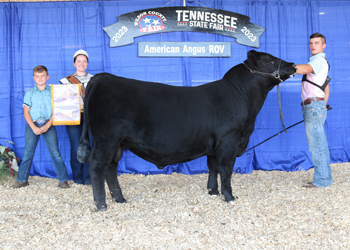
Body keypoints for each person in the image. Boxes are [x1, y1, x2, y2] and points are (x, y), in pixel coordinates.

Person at [12, 66, 70, 189]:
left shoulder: (53, 92)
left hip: (49, 123)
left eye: (42, 75)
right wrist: (33, 127)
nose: (40, 78)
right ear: (34, 78)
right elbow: (26, 112)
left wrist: (48, 125)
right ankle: (22, 179)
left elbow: (57, 110)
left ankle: (63, 180)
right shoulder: (30, 93)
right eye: (37, 76)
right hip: (33, 124)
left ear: (47, 77)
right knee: (28, 152)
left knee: (55, 152)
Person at [295, 33, 332, 188]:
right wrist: (321, 105)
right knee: (318, 143)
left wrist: (283, 67)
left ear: (323, 45)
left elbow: (305, 69)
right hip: (315, 106)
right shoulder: (319, 62)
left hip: (314, 107)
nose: (312, 45)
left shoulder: (317, 60)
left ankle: (322, 181)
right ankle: (324, 177)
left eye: (316, 43)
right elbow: (327, 87)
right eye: (311, 43)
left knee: (317, 144)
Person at [60, 49, 93, 185]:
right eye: (79, 61)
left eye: (84, 61)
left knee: (89, 145)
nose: (81, 63)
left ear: (87, 63)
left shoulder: (94, 79)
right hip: (72, 116)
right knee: (75, 147)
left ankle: (88, 177)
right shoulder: (65, 81)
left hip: (90, 116)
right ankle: (77, 177)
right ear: (74, 63)